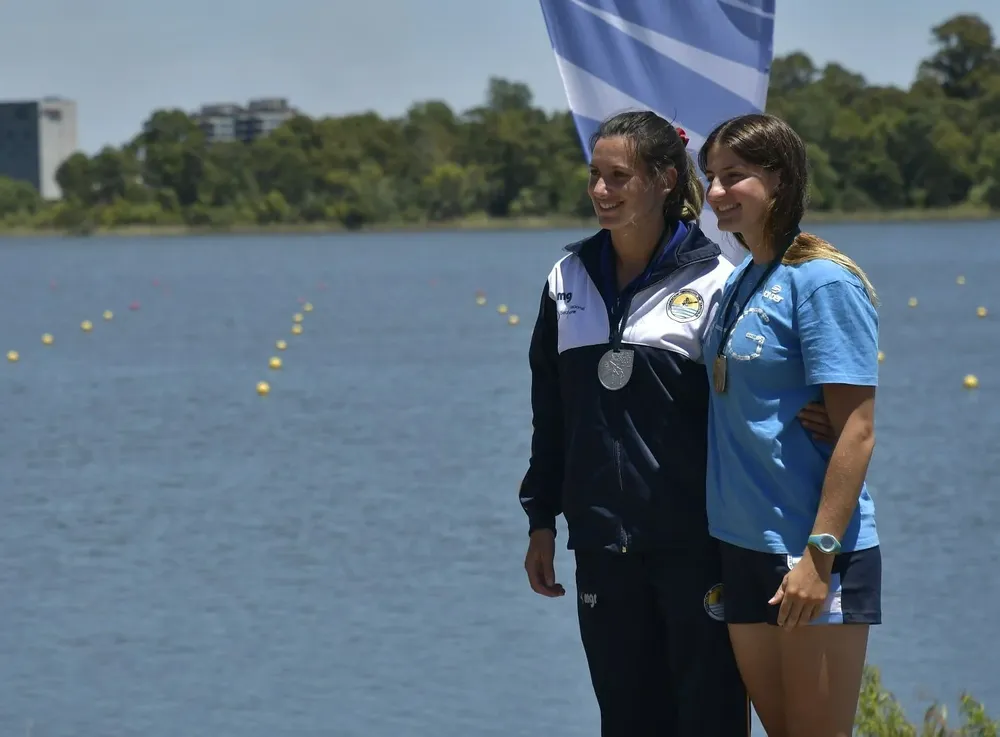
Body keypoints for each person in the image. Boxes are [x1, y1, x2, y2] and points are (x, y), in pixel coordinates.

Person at [518, 110, 834, 737]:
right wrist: (540, 520)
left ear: (665, 179)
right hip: (603, 545)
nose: (601, 193)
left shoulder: (719, 280)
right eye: (595, 177)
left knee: (710, 719)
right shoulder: (565, 279)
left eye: (618, 178)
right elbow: (550, 413)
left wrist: (817, 407)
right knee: (627, 720)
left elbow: (761, 383)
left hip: (702, 543)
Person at [699, 113, 881, 737]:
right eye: (710, 178)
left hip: (814, 555)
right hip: (743, 547)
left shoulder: (823, 280)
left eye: (734, 177)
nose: (716, 193)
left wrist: (818, 556)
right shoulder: (741, 279)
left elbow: (857, 430)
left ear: (779, 180)